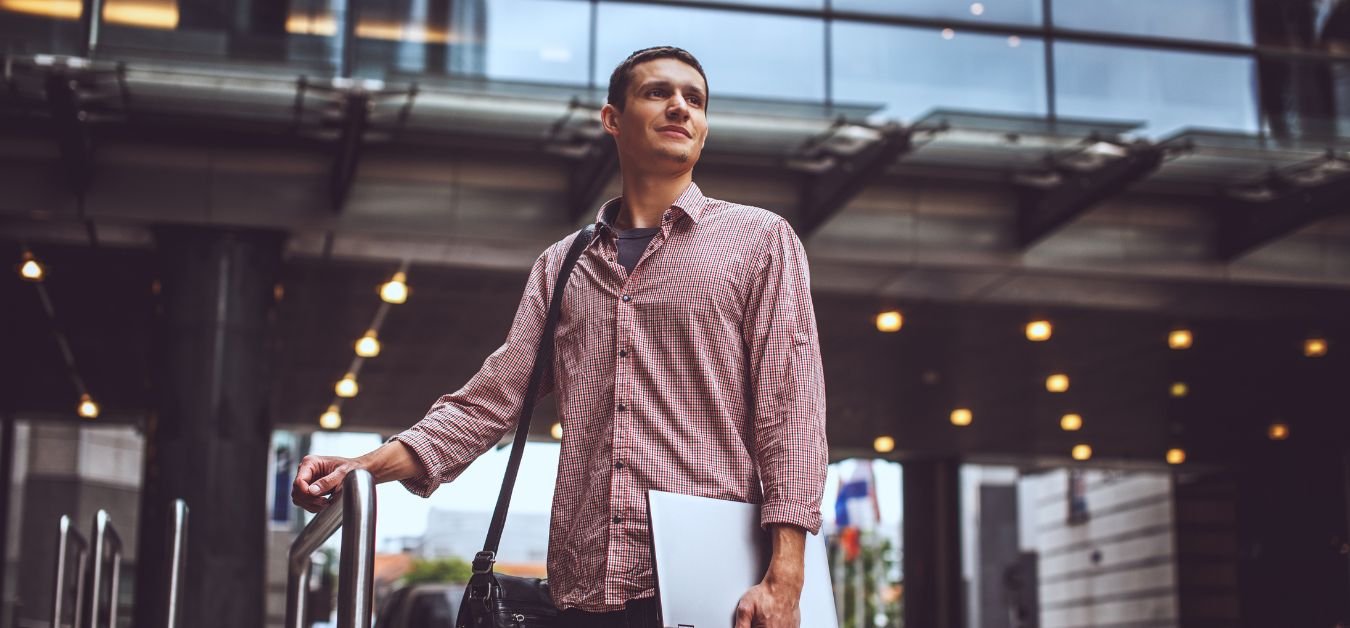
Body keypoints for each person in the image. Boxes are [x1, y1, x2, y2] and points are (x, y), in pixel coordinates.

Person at [293, 46, 827, 628]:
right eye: (658, 93)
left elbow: (791, 410)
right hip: (586, 586)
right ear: (612, 120)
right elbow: (491, 401)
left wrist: (786, 574)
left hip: (716, 578)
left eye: (694, 100)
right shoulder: (562, 265)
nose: (680, 107)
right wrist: (363, 468)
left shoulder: (760, 241)